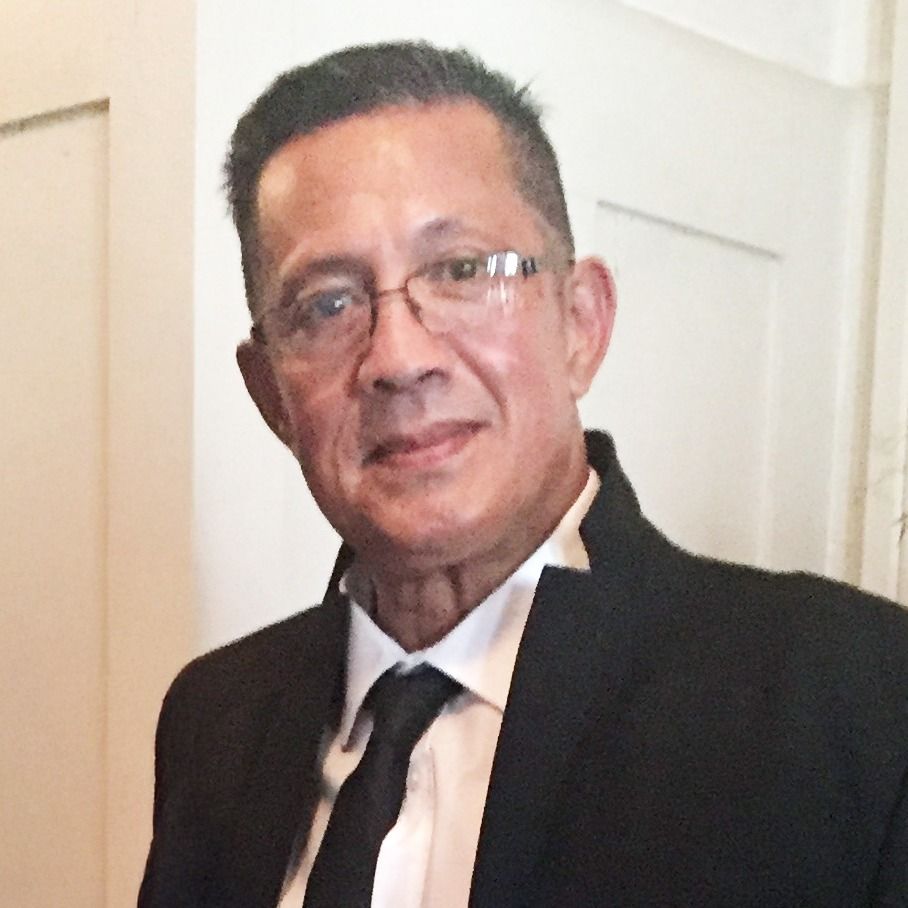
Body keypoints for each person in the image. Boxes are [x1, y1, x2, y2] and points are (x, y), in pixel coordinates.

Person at [138, 41, 908, 908]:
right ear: (270, 394)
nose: (399, 359)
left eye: (462, 271)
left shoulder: (853, 701)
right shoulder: (218, 721)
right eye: (328, 304)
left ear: (581, 323)